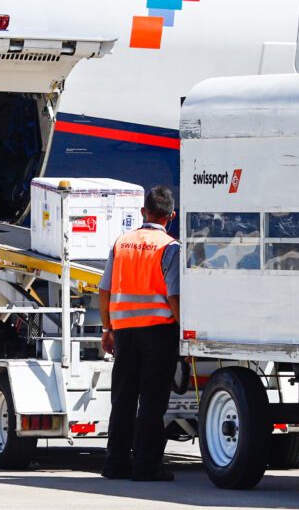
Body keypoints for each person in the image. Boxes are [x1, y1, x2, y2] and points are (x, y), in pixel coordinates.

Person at [100, 185, 181, 482]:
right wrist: (183, 327)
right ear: (171, 216)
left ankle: (115, 464)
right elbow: (174, 295)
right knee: (151, 401)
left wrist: (107, 329)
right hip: (158, 333)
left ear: (143, 212)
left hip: (124, 333)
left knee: (122, 399)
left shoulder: (121, 243)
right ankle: (146, 467)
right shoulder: (170, 247)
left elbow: (104, 289)